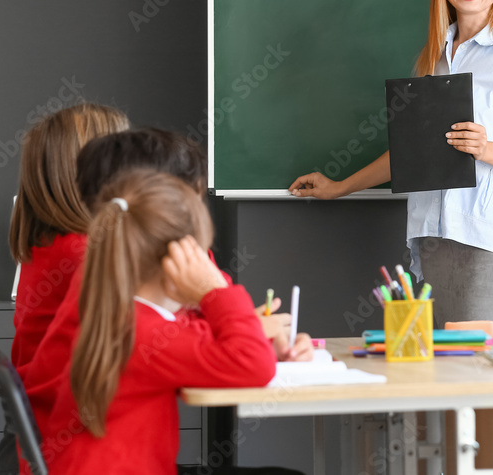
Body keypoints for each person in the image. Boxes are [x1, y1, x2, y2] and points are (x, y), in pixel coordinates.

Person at [290, 0, 493, 330]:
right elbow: (412, 150)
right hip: (436, 238)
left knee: (487, 374)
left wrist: (486, 148)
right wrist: (340, 186)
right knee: (450, 375)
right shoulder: (433, 60)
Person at [20, 128, 310, 475]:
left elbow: (193, 339)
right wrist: (214, 289)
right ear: (174, 260)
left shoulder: (120, 308)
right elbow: (253, 367)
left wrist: (249, 333)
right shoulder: (144, 333)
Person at [0, 103, 128, 475]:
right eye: (124, 154)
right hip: (72, 452)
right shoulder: (86, 253)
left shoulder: (48, 247)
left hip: (38, 447)